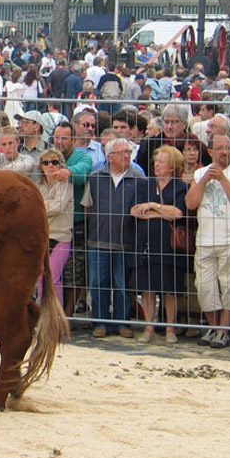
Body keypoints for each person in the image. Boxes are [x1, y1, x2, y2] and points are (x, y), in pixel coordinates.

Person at [186, 132, 230, 349]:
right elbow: (190, 203)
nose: (225, 152)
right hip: (206, 239)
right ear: (210, 151)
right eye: (220, 148)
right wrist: (205, 179)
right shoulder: (199, 174)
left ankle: (224, 330)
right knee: (205, 286)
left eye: (228, 148)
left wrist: (223, 179)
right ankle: (213, 327)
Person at [82, 138, 146, 338]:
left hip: (125, 241)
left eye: (128, 152)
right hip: (97, 240)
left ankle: (121, 323)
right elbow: (87, 207)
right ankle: (100, 323)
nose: (126, 156)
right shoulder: (95, 177)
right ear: (109, 157)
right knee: (98, 283)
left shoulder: (139, 178)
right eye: (121, 152)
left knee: (122, 284)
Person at [131, 145, 188, 344]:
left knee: (170, 288)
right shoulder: (145, 184)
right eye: (156, 161)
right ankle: (149, 327)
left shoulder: (181, 187)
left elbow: (178, 213)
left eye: (161, 161)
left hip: (169, 246)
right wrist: (163, 213)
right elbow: (136, 211)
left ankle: (170, 328)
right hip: (145, 242)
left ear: (172, 166)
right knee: (147, 287)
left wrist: (153, 206)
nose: (156, 164)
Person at [35, 148, 74, 304]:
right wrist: (45, 205)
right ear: (41, 167)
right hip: (42, 238)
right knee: (39, 278)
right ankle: (43, 314)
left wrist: (40, 205)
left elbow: (57, 207)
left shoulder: (65, 184)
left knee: (52, 277)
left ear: (60, 165)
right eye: (46, 162)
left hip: (61, 237)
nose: (50, 166)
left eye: (54, 162)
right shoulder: (38, 186)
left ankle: (57, 318)